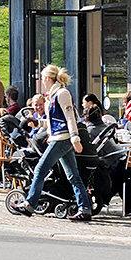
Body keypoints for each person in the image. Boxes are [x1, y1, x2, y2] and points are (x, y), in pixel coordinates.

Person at [15, 65, 93, 222]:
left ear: (48, 79)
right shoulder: (54, 95)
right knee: (73, 176)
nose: (42, 81)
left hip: (61, 139)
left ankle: (30, 204)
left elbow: (70, 117)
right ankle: (85, 208)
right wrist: (38, 124)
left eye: (43, 78)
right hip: (61, 138)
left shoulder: (62, 94)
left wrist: (75, 137)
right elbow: (55, 122)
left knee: (40, 170)